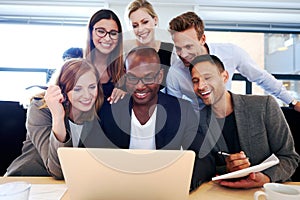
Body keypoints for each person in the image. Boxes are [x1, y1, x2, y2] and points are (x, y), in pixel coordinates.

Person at [98, 47, 210, 190]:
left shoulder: (182, 110)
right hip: (118, 189)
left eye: (148, 77)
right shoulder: (108, 109)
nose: (140, 86)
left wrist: (181, 184)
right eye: (133, 78)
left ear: (159, 76)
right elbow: (86, 154)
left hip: (164, 188)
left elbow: (204, 157)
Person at [189, 54, 300, 189]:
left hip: (271, 189)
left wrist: (265, 177)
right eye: (195, 80)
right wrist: (228, 169)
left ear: (224, 77)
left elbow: (289, 158)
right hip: (227, 192)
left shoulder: (264, 106)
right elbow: (208, 168)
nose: (201, 86)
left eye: (207, 78)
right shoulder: (198, 122)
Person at [167, 11, 300, 112]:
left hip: (228, 114)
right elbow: (174, 110)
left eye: (189, 46)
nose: (183, 54)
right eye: (178, 48)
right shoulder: (175, 71)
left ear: (202, 39)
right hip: (199, 123)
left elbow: (262, 78)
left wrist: (292, 102)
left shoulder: (230, 53)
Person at [5, 58, 106, 179]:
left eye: (92, 87)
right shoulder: (40, 109)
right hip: (29, 180)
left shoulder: (96, 112)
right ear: (62, 90)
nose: (87, 95)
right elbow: (57, 170)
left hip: (69, 184)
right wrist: (58, 116)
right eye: (77, 89)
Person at [125, 0, 176, 91]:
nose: (140, 29)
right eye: (135, 25)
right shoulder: (126, 52)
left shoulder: (170, 50)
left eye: (145, 22)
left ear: (155, 20)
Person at [85, 9, 126, 103]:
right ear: (91, 33)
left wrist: (125, 93)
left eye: (113, 33)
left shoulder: (124, 72)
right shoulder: (76, 68)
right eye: (101, 31)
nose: (107, 38)